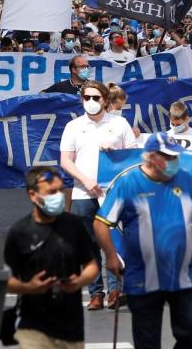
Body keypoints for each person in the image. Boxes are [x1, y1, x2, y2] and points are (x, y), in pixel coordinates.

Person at [95, 133, 192, 349]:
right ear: (151, 157)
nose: (174, 161)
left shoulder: (185, 179)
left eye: (175, 156)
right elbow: (101, 222)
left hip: (185, 275)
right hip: (143, 277)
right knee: (147, 341)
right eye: (168, 157)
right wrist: (111, 256)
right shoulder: (128, 183)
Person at [59, 80, 136, 311]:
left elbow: (134, 156)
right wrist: (85, 181)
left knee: (113, 241)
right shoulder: (73, 126)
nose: (91, 102)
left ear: (105, 100)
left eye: (96, 98)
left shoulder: (119, 123)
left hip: (113, 192)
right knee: (88, 244)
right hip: (84, 193)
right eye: (87, 98)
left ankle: (115, 290)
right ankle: (95, 293)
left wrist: (117, 153)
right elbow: (65, 160)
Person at [5, 166, 98, 349]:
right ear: (33, 195)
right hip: (33, 328)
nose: (59, 196)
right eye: (51, 192)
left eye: (61, 190)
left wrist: (78, 282)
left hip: (71, 329)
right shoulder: (20, 232)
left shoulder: (74, 225)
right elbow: (6, 279)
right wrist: (29, 287)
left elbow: (92, 265)